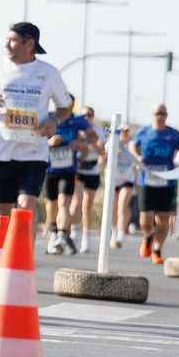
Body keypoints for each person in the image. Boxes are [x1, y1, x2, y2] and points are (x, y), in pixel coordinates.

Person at [0, 23, 69, 226]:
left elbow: (65, 107)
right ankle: (2, 248)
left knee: (26, 206)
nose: (6, 44)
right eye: (6, 39)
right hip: (0, 152)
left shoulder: (49, 72)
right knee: (2, 211)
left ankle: (24, 249)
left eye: (12, 40)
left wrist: (54, 120)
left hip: (33, 152)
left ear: (29, 43)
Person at [130, 105, 179, 264]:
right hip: (146, 180)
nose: (160, 116)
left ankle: (157, 250)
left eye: (163, 114)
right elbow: (132, 145)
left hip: (166, 181)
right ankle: (147, 236)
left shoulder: (173, 134)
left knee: (163, 219)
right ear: (152, 114)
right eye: (158, 113)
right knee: (146, 218)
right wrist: (137, 158)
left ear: (166, 116)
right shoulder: (144, 131)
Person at [42, 94, 95, 255]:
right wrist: (49, 142)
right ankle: (53, 231)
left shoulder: (78, 120)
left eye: (69, 104)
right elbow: (34, 136)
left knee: (64, 203)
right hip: (50, 168)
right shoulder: (47, 117)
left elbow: (93, 136)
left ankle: (61, 235)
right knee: (51, 204)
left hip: (68, 169)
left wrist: (80, 143)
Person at [73, 105, 104, 252]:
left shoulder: (97, 131)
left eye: (89, 115)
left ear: (93, 117)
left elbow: (101, 151)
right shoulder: (77, 128)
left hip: (92, 169)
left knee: (87, 206)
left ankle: (86, 237)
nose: (86, 118)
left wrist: (89, 142)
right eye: (83, 115)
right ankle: (74, 233)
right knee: (75, 203)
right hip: (78, 168)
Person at [110, 124, 139, 249]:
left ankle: (120, 235)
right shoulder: (111, 143)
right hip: (113, 179)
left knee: (122, 207)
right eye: (122, 131)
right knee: (113, 208)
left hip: (127, 179)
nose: (124, 133)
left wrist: (136, 177)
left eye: (126, 131)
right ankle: (113, 231)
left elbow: (136, 161)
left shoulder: (131, 145)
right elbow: (103, 157)